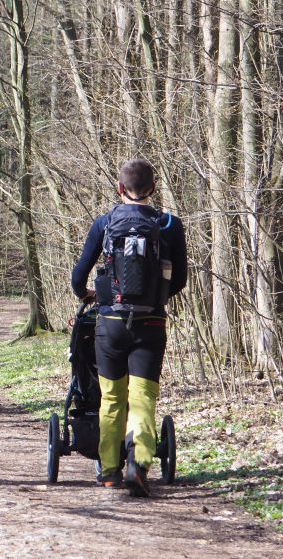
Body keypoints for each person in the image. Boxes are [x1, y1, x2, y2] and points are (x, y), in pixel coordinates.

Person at [70, 158, 187, 497]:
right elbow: (179, 278)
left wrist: (89, 294)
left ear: (120, 188)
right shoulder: (169, 225)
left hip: (111, 324)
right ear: (153, 188)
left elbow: (79, 277)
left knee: (111, 397)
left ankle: (109, 471)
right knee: (143, 397)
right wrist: (156, 297)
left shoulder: (105, 223)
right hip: (151, 323)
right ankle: (139, 464)